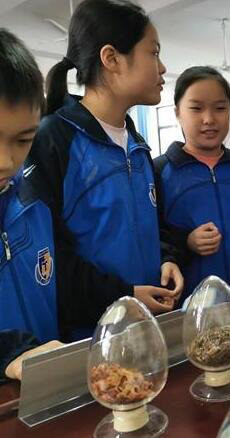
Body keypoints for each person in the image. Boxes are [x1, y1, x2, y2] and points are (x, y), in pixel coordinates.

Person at [23, 0, 182, 339]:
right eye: (154, 53)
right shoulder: (56, 140)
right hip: (89, 340)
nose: (163, 67)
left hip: (145, 328)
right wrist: (122, 296)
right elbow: (47, 257)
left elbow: (154, 226)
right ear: (111, 58)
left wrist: (166, 259)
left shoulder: (137, 144)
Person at [155, 67, 230, 297]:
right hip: (191, 306)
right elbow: (150, 239)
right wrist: (187, 243)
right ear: (178, 112)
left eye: (220, 108)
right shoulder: (159, 173)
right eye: (196, 108)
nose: (209, 119)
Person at [0, 29, 63, 382]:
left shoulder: (35, 204)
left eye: (23, 140)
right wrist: (7, 354)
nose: (6, 162)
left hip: (45, 393)